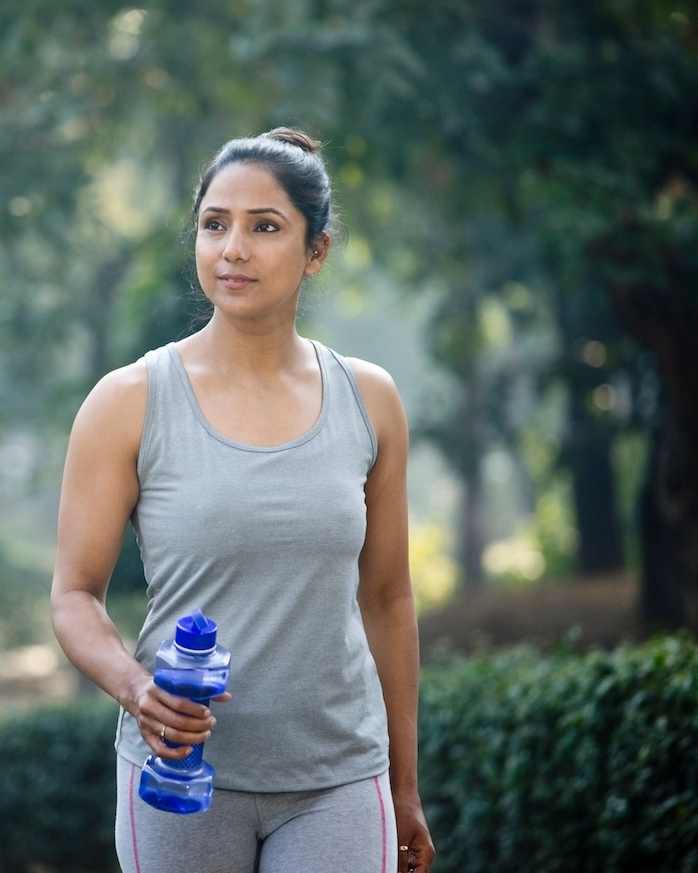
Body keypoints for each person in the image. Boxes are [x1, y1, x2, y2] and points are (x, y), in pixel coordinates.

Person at [50, 127, 435, 873]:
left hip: (339, 778)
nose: (233, 248)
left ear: (315, 252)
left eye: (266, 227)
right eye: (214, 223)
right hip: (179, 776)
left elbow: (387, 598)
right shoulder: (128, 401)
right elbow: (73, 595)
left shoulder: (371, 400)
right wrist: (137, 689)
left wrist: (404, 785)